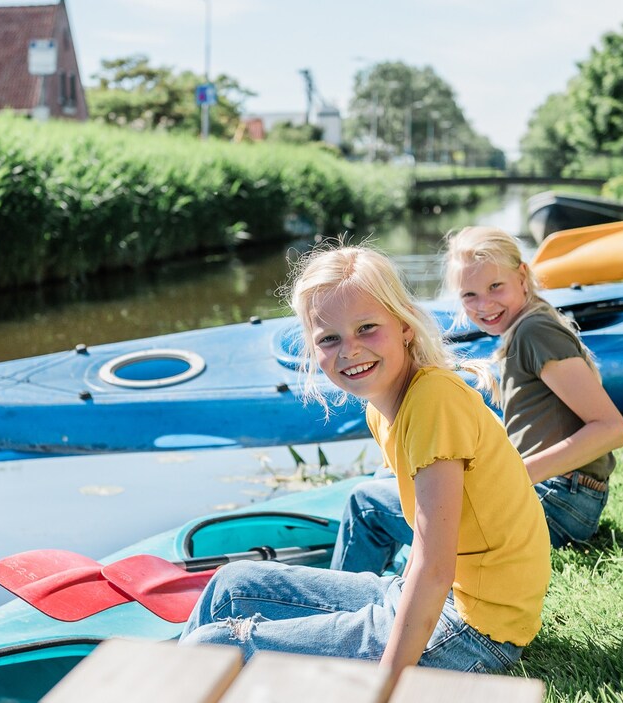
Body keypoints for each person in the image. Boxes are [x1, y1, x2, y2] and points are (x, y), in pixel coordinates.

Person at [179, 243, 551, 681]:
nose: (349, 350)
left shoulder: (434, 400)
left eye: (367, 328)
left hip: (475, 629)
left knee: (217, 646)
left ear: (404, 325)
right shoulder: (383, 407)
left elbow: (434, 569)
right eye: (329, 338)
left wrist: (384, 682)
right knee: (231, 585)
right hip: (431, 599)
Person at [331, 226, 623, 573]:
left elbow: (611, 430)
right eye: (469, 295)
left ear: (522, 275)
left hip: (561, 503)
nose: (484, 305)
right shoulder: (528, 325)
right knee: (389, 479)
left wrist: (514, 476)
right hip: (568, 497)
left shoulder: (535, 332)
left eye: (495, 287)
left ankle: (349, 604)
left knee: (365, 504)